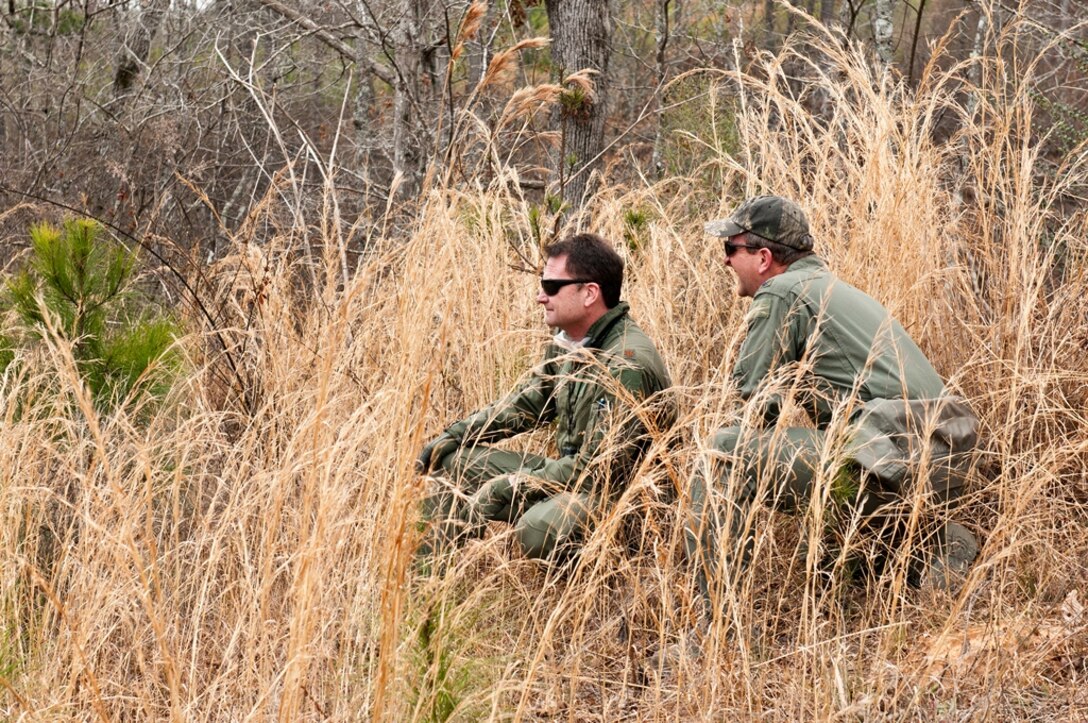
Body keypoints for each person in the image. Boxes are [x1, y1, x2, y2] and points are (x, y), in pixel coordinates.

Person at [687, 195, 979, 600]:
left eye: (730, 248)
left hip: (889, 453)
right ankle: (940, 546)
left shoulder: (781, 293)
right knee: (837, 520)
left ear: (764, 258)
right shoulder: (834, 290)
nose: (725, 261)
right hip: (941, 459)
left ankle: (716, 625)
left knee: (721, 454)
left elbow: (753, 408)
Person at [417, 233, 674, 563]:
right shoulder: (570, 341)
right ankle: (425, 583)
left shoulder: (626, 363)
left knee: (537, 528)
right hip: (570, 475)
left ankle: (595, 586)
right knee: (455, 463)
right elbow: (525, 405)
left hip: (618, 496)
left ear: (589, 293)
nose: (541, 297)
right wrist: (451, 437)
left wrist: (512, 483)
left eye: (552, 286)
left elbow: (599, 472)